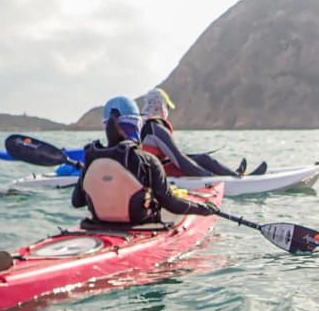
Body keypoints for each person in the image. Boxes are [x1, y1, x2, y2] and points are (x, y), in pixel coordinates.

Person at [71, 96, 218, 225]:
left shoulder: (92, 157)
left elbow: (77, 202)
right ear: (137, 124)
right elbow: (169, 203)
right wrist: (203, 209)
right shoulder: (148, 160)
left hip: (99, 223)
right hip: (140, 223)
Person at [138, 87, 267, 177]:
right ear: (160, 106)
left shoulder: (142, 122)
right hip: (158, 172)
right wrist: (210, 177)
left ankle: (236, 174)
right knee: (203, 160)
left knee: (201, 158)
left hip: (150, 168)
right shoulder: (156, 127)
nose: (167, 111)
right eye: (167, 107)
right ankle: (236, 177)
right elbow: (180, 161)